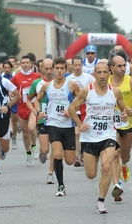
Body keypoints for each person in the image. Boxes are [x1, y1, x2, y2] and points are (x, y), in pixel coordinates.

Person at [68, 61, 127, 214]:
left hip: (108, 135)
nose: (102, 76)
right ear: (94, 74)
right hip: (89, 137)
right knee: (91, 174)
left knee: (106, 167)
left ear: (110, 73)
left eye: (105, 72)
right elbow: (72, 108)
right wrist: (80, 124)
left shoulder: (115, 92)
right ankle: (101, 193)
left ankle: (101, 201)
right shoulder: (87, 91)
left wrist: (128, 113)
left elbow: (123, 110)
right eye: (99, 72)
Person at [35, 57, 80, 196]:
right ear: (53, 69)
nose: (59, 71)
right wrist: (39, 112)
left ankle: (61, 181)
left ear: (66, 70)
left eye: (62, 68)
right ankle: (60, 186)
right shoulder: (47, 86)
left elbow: (82, 100)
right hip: (52, 124)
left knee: (70, 160)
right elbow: (36, 101)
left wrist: (71, 109)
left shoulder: (71, 85)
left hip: (68, 126)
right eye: (57, 68)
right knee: (57, 153)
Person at [109, 55, 132, 201]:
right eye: (119, 66)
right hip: (111, 123)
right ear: (111, 68)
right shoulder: (106, 82)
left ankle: (124, 165)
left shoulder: (131, 81)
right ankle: (117, 185)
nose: (123, 68)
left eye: (124, 65)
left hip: (127, 123)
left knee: (124, 155)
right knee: (114, 154)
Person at [26, 58, 56, 184]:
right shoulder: (36, 83)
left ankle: (51, 173)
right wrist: (35, 111)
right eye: (46, 69)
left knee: (55, 147)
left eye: (51, 68)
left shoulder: (60, 82)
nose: (49, 71)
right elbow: (29, 100)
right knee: (45, 149)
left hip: (56, 120)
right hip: (42, 120)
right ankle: (42, 154)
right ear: (42, 69)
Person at [10, 55, 41, 166]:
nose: (25, 64)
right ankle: (28, 154)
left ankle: (34, 146)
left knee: (32, 128)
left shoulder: (37, 76)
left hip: (32, 107)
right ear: (20, 64)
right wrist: (11, 95)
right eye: (23, 62)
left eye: (27, 62)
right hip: (22, 108)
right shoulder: (16, 77)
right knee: (25, 133)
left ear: (31, 64)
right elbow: (11, 89)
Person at [66, 56, 95, 167]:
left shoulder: (88, 78)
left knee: (85, 132)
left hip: (87, 109)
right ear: (72, 66)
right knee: (77, 132)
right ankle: (78, 157)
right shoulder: (68, 79)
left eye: (79, 65)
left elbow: (96, 87)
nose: (77, 67)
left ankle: (84, 152)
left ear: (82, 65)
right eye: (75, 65)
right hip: (74, 108)